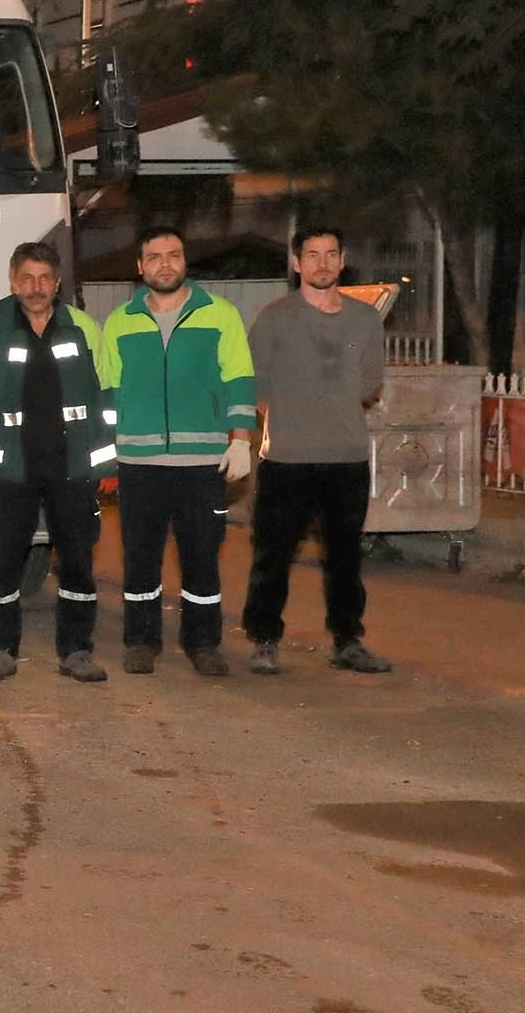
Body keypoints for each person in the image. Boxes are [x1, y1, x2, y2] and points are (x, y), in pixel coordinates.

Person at [0, 241, 120, 684]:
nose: (36, 287)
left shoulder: (83, 327)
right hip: (11, 469)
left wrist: (106, 464)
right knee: (2, 562)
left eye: (44, 278)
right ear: (13, 282)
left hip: (71, 466)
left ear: (57, 283)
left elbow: (106, 399)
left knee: (77, 562)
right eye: (27, 278)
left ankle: (76, 651)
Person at [103, 226, 257, 678]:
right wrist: (105, 454)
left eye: (173, 255)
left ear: (184, 261)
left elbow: (240, 379)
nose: (164, 264)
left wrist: (242, 440)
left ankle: (204, 643)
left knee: (202, 557)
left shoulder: (220, 314)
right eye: (154, 256)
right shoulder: (120, 321)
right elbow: (109, 394)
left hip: (201, 462)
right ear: (140, 266)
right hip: (138, 464)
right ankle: (141, 641)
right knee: (140, 558)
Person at [241, 226, 392, 675]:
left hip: (347, 459)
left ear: (342, 260)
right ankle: (265, 640)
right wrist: (287, 423)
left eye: (330, 255)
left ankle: (348, 641)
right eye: (311, 255)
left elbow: (370, 383)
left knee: (345, 558)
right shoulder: (274, 318)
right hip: (286, 460)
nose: (321, 264)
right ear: (296, 263)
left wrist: (333, 411)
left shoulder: (364, 321)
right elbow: (257, 384)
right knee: (272, 556)